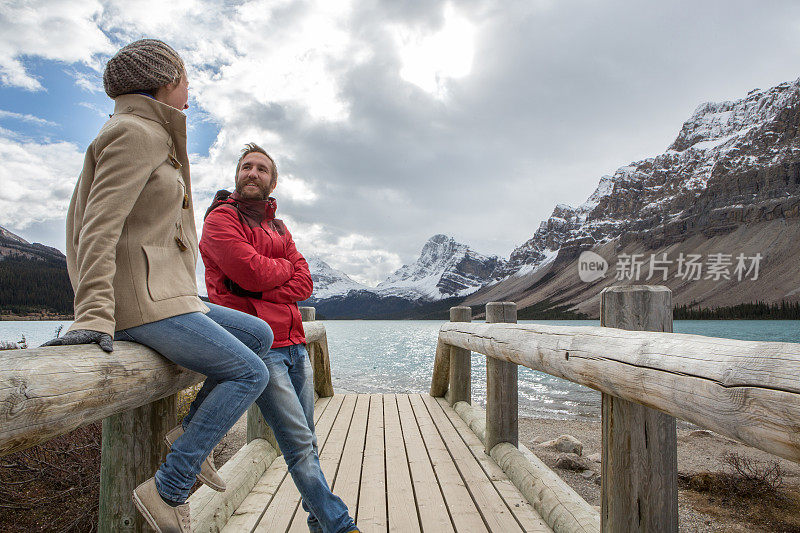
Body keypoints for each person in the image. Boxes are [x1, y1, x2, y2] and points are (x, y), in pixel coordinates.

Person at [42, 40, 275, 533]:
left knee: (260, 335)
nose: (190, 90)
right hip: (141, 303)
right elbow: (97, 229)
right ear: (168, 81)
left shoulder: (153, 133)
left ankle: (188, 437)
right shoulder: (135, 133)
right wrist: (94, 316)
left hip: (169, 295)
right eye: (186, 79)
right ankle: (168, 488)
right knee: (249, 373)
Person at [199, 143, 358, 533]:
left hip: (295, 345)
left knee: (307, 441)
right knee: (300, 445)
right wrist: (276, 272)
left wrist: (264, 280)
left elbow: (304, 282)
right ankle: (340, 526)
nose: (253, 173)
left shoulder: (278, 226)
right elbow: (250, 274)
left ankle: (319, 525)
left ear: (273, 182)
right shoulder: (221, 220)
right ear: (237, 176)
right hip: (260, 347)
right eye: (247, 167)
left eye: (262, 169)